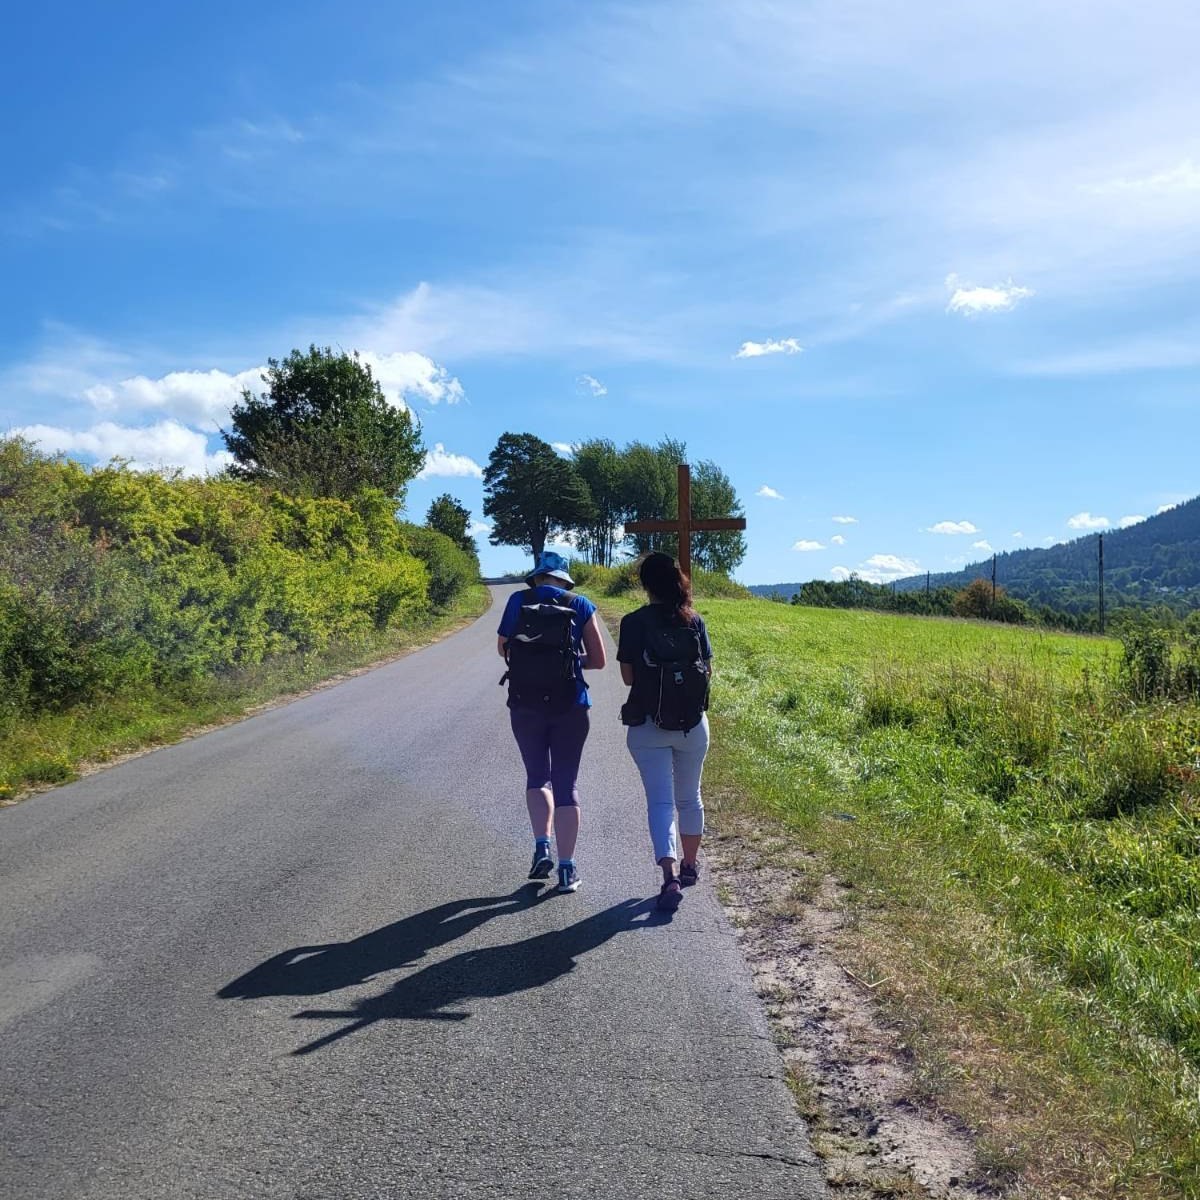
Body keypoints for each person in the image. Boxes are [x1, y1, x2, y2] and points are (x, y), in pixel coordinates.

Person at [497, 550, 607, 893]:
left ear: (538, 576)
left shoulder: (518, 600)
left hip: (525, 703)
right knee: (566, 784)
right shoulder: (580, 604)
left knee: (537, 777)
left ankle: (542, 847)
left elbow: (503, 649)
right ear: (564, 579)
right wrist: (571, 661)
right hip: (570, 704)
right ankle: (567, 869)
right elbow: (599, 660)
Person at [617, 552, 713, 911]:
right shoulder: (694, 620)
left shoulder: (633, 622)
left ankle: (670, 877)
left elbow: (628, 678)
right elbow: (707, 672)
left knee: (660, 802)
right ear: (679, 581)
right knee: (690, 797)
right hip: (692, 724)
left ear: (645, 584)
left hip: (647, 723)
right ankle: (690, 865)